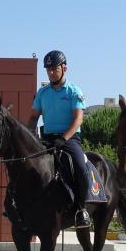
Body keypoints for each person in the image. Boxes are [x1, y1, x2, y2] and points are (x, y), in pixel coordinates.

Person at [27, 50, 91, 228]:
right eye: (48, 69)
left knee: (79, 165)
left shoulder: (73, 91)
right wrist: (31, 135)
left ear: (65, 68)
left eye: (54, 68)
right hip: (46, 138)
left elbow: (78, 119)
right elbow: (33, 117)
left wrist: (63, 139)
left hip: (69, 139)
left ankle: (81, 209)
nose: (51, 72)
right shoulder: (42, 93)